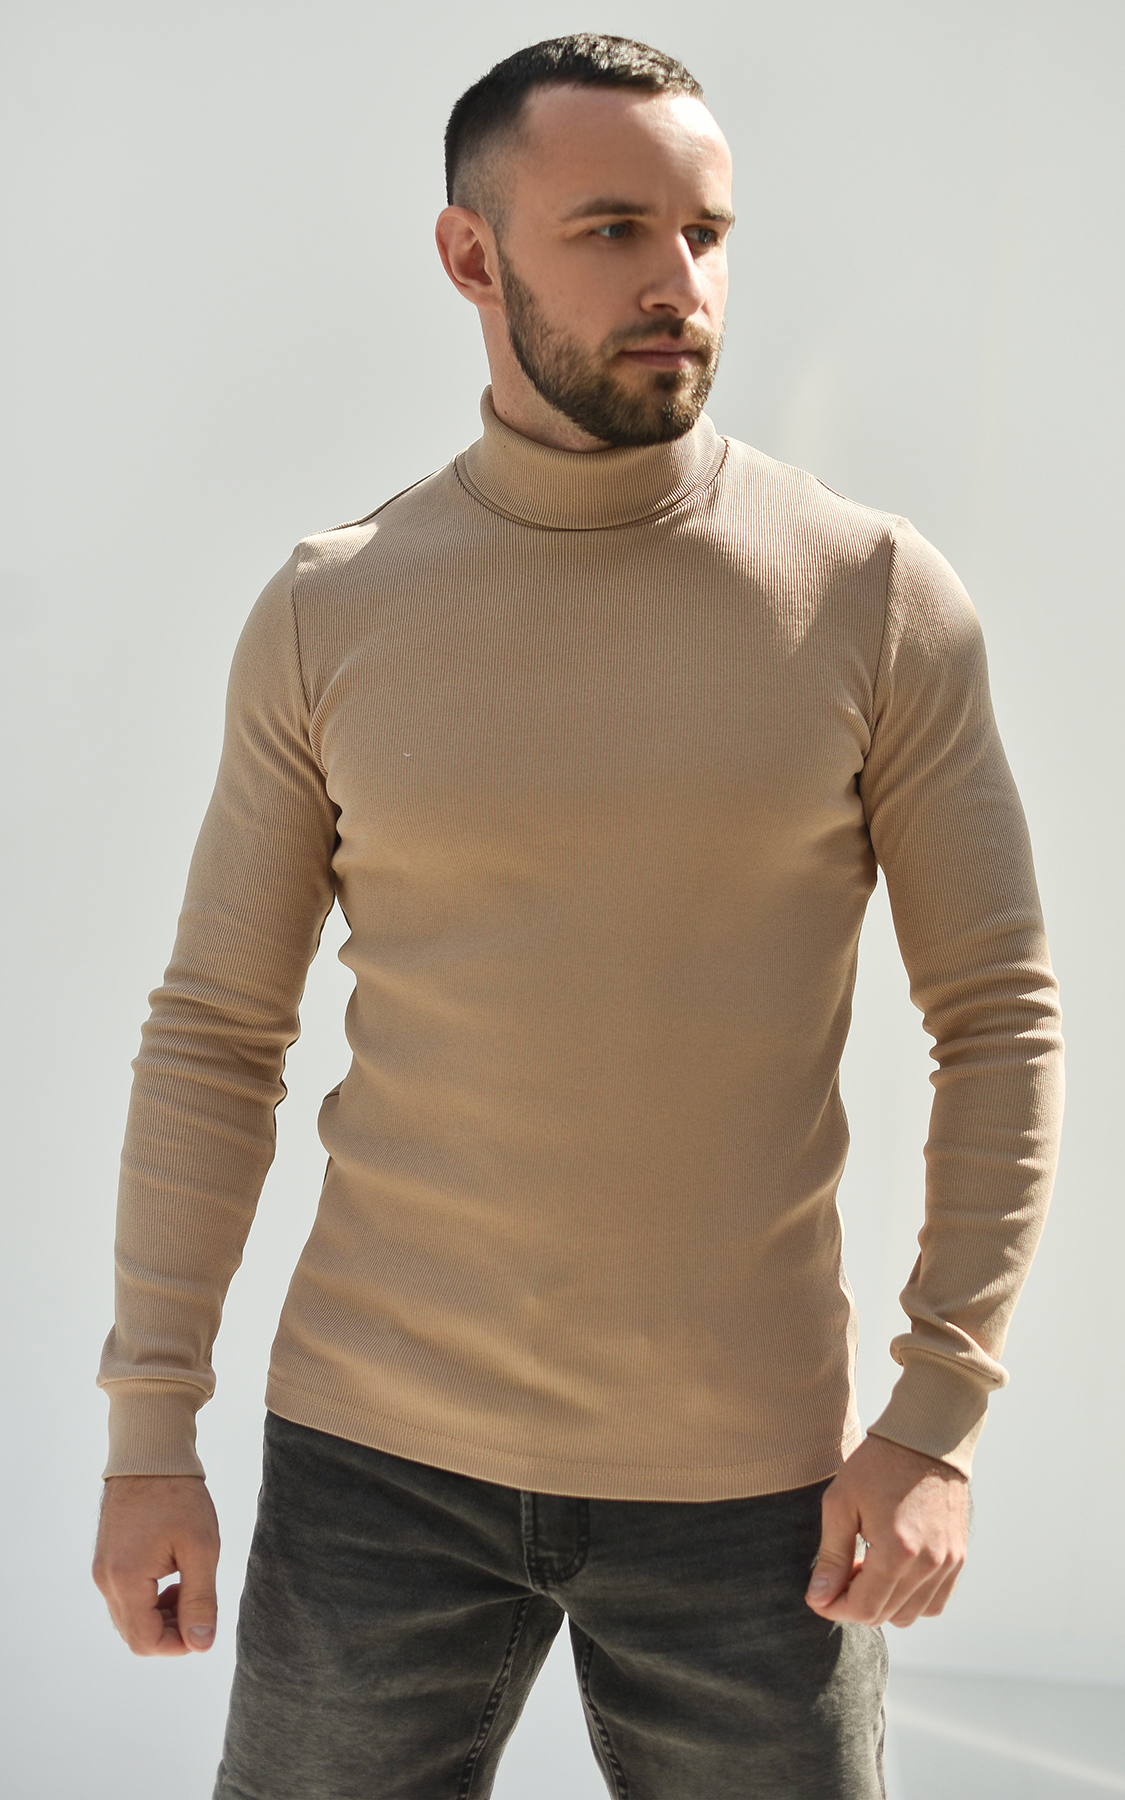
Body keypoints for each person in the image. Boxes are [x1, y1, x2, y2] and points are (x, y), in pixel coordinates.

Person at [92, 32, 1064, 1800]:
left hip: (759, 1498)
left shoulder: (871, 597)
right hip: (374, 1469)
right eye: (612, 230)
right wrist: (151, 1428)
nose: (677, 282)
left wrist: (938, 1414)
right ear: (471, 257)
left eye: (706, 233)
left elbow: (998, 1018)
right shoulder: (332, 611)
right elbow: (218, 1036)